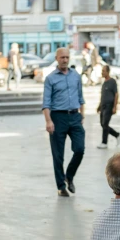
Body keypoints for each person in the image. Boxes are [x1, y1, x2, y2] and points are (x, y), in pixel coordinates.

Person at [42, 47, 85, 198]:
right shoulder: (51, 78)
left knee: (79, 149)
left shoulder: (76, 76)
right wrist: (48, 121)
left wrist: (82, 116)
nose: (65, 60)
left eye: (67, 57)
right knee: (58, 155)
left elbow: (81, 98)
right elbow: (46, 103)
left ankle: (69, 175)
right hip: (57, 118)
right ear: (56, 58)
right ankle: (61, 186)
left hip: (75, 117)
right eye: (62, 58)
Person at [97, 65, 120, 149]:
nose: (102, 72)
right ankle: (117, 135)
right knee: (102, 124)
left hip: (109, 105)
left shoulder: (112, 82)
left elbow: (116, 94)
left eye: (103, 71)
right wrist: (99, 105)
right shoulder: (104, 83)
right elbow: (103, 95)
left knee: (105, 123)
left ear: (108, 72)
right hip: (103, 106)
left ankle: (104, 142)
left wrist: (115, 107)